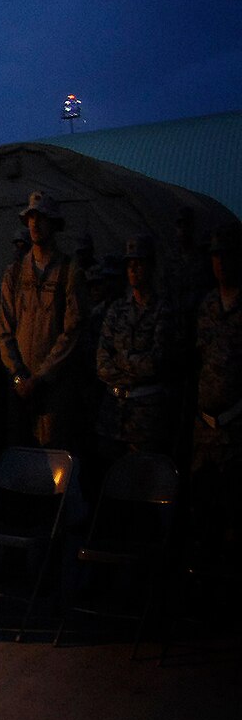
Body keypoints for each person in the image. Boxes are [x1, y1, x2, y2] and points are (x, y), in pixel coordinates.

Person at [0, 191, 91, 449]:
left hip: (54, 388)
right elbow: (4, 329)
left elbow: (71, 332)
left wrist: (39, 378)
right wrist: (18, 376)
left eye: (42, 218)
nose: (35, 224)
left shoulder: (69, 272)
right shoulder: (14, 273)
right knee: (17, 455)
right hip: (19, 389)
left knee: (52, 458)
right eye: (31, 218)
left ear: (54, 224)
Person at [93, 236, 186, 468]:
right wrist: (134, 363)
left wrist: (120, 359)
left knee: (142, 478)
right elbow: (102, 364)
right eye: (130, 264)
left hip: (146, 418)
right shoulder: (117, 310)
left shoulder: (162, 309)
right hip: (113, 416)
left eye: (139, 263)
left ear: (151, 267)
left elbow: (156, 362)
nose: (133, 269)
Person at [192, 225, 242, 562]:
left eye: (225, 256)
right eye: (214, 257)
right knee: (202, 505)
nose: (219, 264)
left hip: (237, 425)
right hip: (204, 426)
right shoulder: (207, 304)